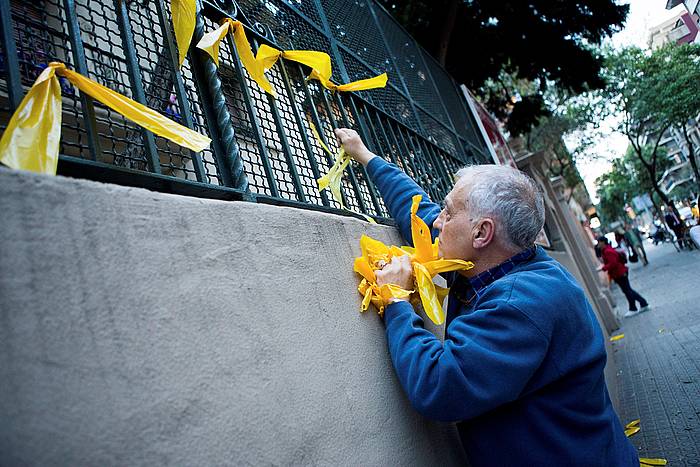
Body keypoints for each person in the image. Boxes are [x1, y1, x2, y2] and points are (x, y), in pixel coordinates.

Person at [334, 128, 638, 467]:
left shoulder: (519, 304)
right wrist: (367, 156)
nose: (437, 222)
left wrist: (395, 301)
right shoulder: (492, 261)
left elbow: (440, 386)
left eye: (448, 213)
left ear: (482, 233)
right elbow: (419, 213)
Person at [597, 236, 649, 318]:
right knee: (627, 290)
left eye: (599, 242)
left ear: (603, 242)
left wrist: (603, 268)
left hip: (620, 273)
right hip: (619, 273)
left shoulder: (607, 251)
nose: (598, 244)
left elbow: (613, 263)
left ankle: (633, 308)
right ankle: (643, 303)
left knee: (627, 291)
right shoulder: (606, 250)